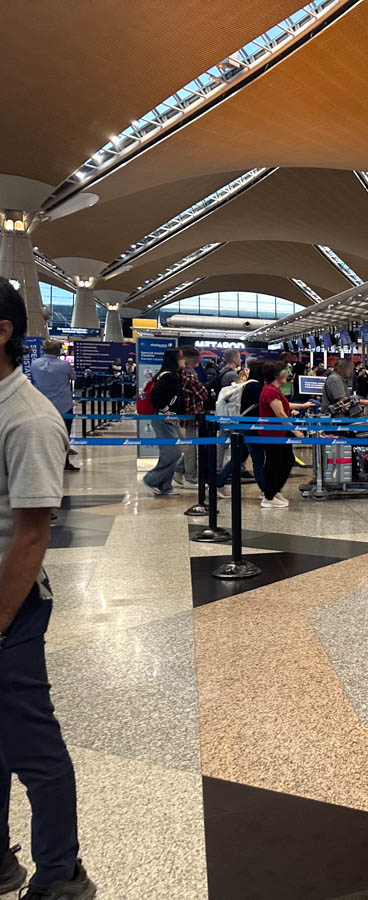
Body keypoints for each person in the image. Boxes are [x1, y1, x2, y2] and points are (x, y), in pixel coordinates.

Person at [0, 283, 97, 898]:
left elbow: (33, 534)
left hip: (11, 605)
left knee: (33, 745)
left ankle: (62, 875)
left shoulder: (30, 418)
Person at [216, 361, 265, 499]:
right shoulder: (256, 386)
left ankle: (218, 483)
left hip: (244, 426)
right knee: (258, 458)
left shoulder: (248, 384)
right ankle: (266, 490)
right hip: (252, 428)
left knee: (238, 458)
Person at [258, 361, 302, 509]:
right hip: (273, 434)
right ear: (278, 375)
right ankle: (269, 496)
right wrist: (295, 430)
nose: (288, 374)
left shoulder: (273, 390)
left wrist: (303, 406)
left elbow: (283, 407)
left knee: (284, 460)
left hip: (277, 433)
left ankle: (273, 490)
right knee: (275, 463)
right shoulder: (270, 391)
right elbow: (280, 414)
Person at [29, 340, 78, 472]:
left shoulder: (35, 364)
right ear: (57, 351)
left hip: (42, 405)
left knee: (42, 435)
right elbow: (73, 377)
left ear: (44, 350)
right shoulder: (64, 365)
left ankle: (43, 463)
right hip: (64, 406)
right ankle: (64, 463)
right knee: (64, 435)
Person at [142, 349, 185, 496]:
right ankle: (152, 479)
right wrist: (165, 409)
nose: (183, 361)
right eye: (181, 358)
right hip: (163, 419)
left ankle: (165, 486)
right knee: (172, 452)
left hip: (168, 419)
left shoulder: (171, 375)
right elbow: (156, 395)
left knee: (172, 452)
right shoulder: (169, 376)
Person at [172, 347, 208, 485]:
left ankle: (179, 471)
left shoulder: (180, 374)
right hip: (192, 414)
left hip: (186, 413)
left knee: (191, 445)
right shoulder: (189, 375)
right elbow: (203, 394)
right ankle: (191, 476)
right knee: (192, 447)